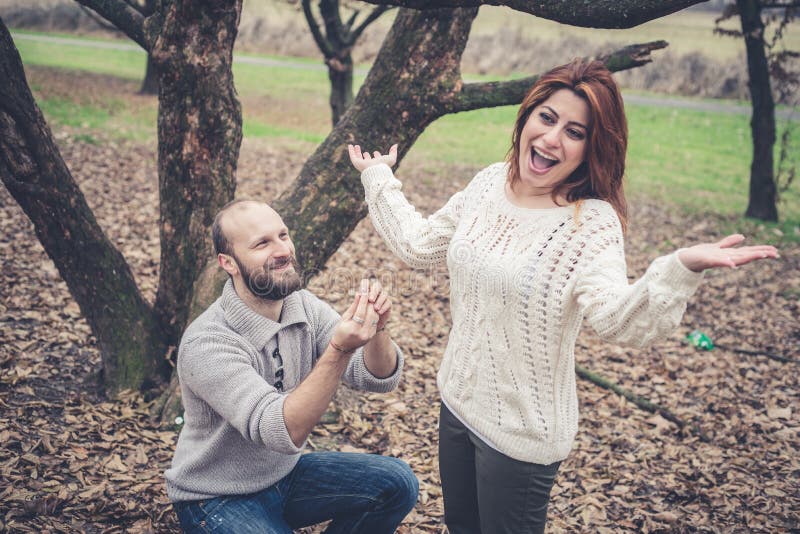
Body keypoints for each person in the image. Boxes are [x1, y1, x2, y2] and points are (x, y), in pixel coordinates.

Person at [348, 59, 779, 534]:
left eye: (575, 132)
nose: (552, 139)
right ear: (527, 116)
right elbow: (420, 244)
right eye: (547, 118)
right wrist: (379, 178)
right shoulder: (491, 182)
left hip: (521, 436)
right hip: (457, 403)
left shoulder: (589, 223)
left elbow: (617, 320)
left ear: (593, 147)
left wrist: (679, 269)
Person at [165, 199, 419, 533]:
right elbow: (281, 432)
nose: (283, 249)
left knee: (397, 483)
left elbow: (377, 377)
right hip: (215, 498)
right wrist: (339, 349)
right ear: (229, 263)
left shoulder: (299, 305)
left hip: (285, 476)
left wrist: (377, 330)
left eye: (283, 235)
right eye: (262, 243)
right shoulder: (208, 342)